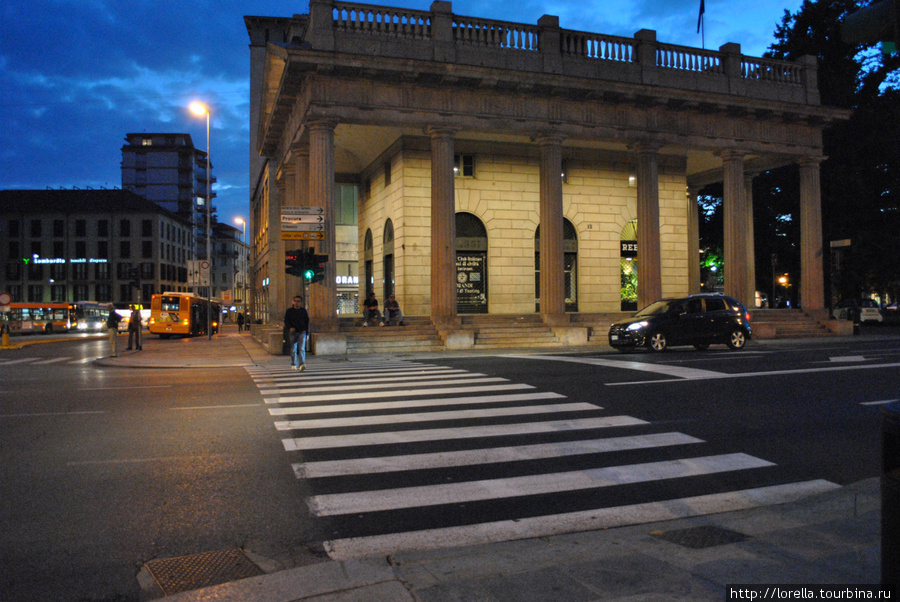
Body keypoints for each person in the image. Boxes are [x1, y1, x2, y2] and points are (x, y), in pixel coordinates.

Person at [283, 295, 310, 371]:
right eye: (295, 301)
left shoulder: (303, 311)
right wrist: (289, 328)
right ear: (292, 302)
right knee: (293, 349)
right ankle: (293, 364)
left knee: (301, 348)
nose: (296, 302)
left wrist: (307, 332)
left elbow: (307, 322)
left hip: (302, 331)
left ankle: (302, 364)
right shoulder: (289, 311)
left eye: (298, 301)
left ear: (301, 303)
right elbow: (286, 321)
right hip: (293, 332)